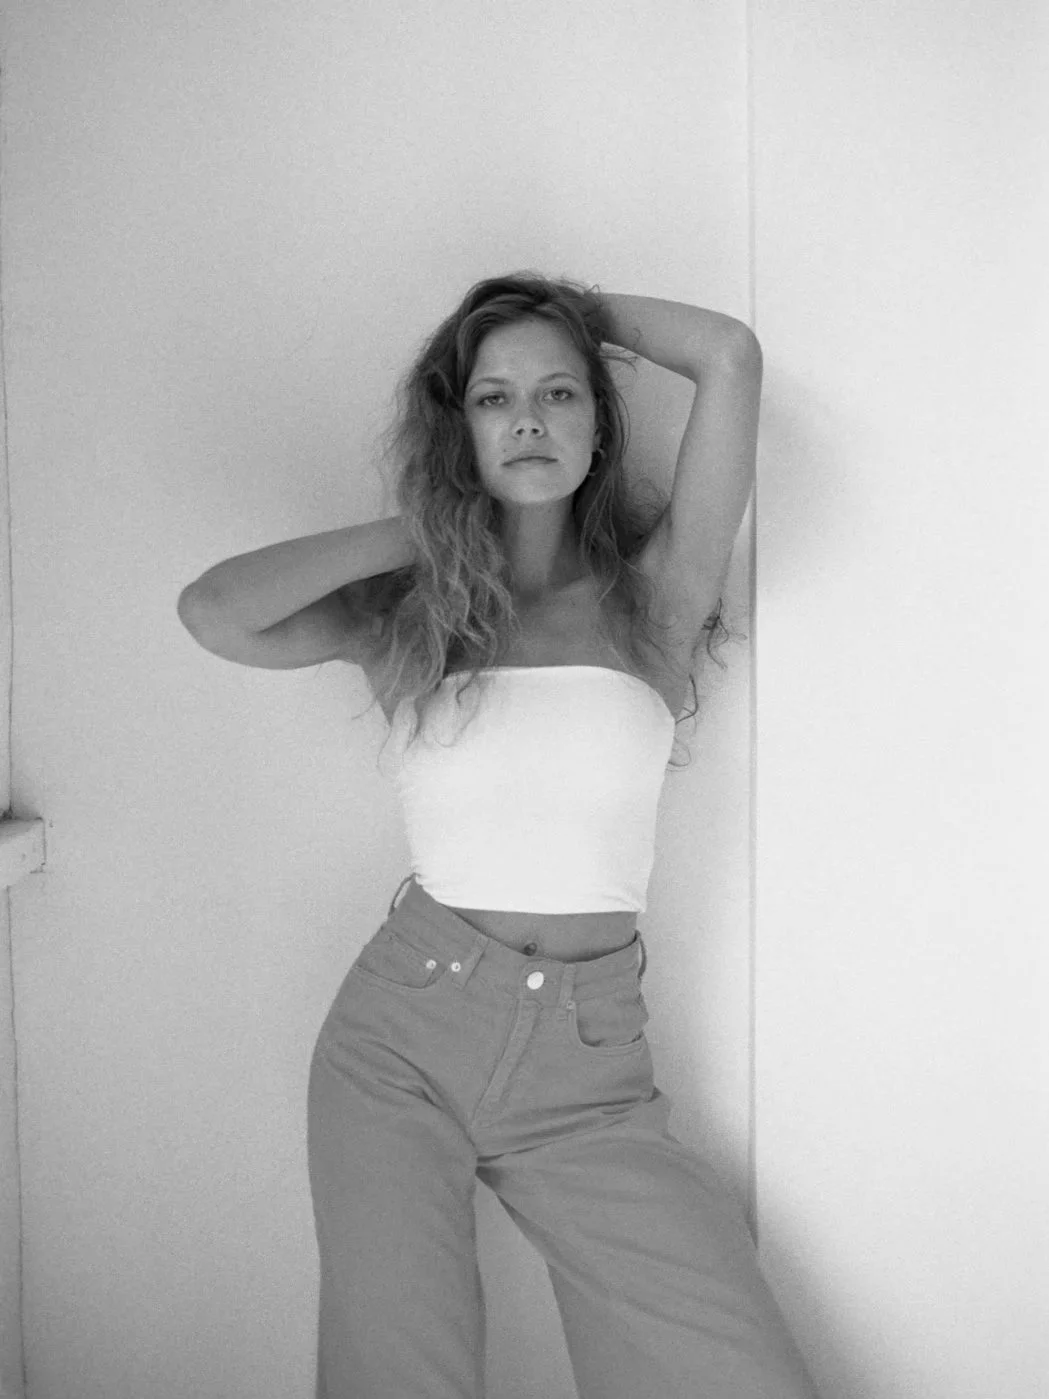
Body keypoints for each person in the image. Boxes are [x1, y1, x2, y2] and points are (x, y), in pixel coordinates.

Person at [177, 272, 819, 1398]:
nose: (528, 418)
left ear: (597, 424)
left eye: (560, 393)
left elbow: (727, 356)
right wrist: (428, 521)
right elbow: (214, 610)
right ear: (455, 425)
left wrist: (565, 308)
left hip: (591, 1067)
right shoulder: (410, 626)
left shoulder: (656, 601)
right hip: (399, 1043)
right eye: (493, 398)